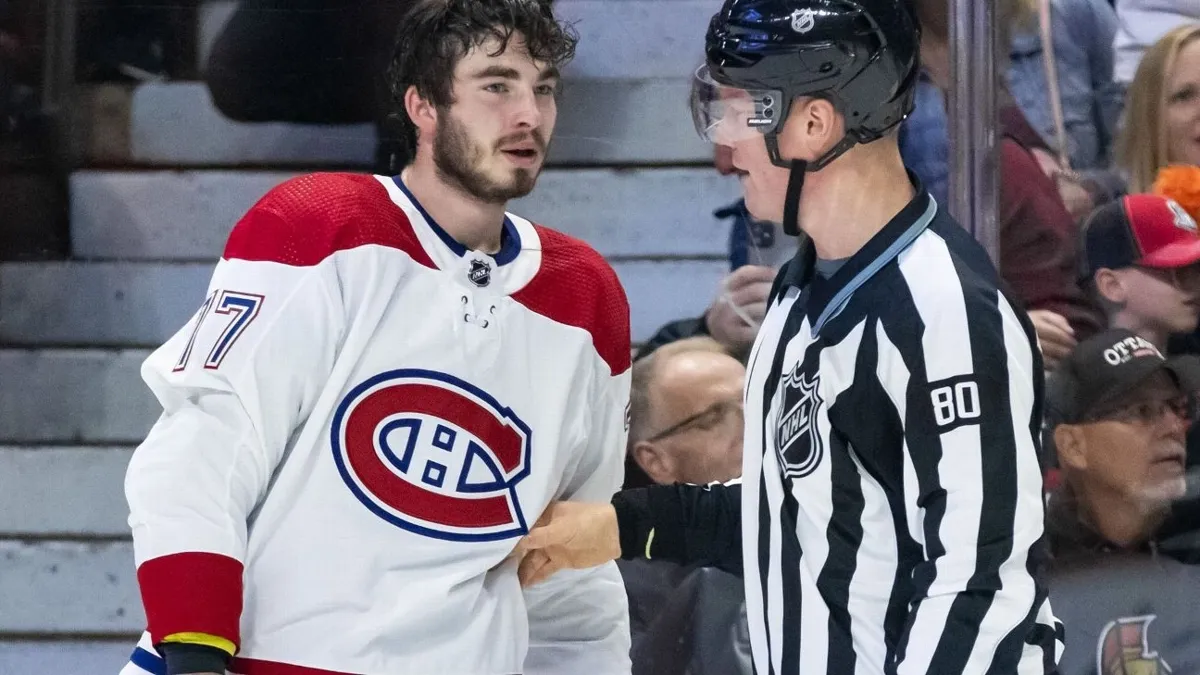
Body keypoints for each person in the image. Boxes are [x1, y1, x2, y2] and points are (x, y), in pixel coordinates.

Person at [512, 1, 1063, 673]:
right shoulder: (801, 288)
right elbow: (802, 509)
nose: (725, 148)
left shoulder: (943, 308)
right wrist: (625, 524)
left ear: (812, 122)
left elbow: (979, 585)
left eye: (737, 111)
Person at [118, 2, 633, 674]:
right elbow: (205, 447)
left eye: (543, 89)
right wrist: (193, 648)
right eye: (497, 85)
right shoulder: (319, 226)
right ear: (423, 106)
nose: (528, 115)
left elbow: (569, 560)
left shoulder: (586, 297)